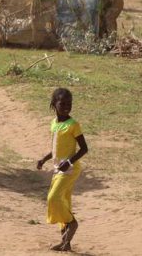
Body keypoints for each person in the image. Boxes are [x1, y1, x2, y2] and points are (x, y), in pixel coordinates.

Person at [36, 88, 88, 252]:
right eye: (62, 103)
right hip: (59, 168)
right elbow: (56, 148)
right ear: (54, 104)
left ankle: (72, 223)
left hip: (70, 170)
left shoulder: (73, 125)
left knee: (54, 198)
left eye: (69, 104)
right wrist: (44, 159)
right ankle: (66, 242)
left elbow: (84, 149)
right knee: (63, 201)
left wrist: (69, 163)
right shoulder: (54, 123)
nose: (66, 106)